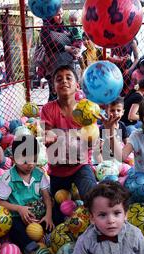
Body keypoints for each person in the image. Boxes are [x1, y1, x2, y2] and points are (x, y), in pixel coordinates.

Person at [40, 64, 97, 225]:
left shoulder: (85, 107)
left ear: (77, 85)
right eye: (59, 79)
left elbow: (92, 134)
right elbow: (46, 133)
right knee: (58, 216)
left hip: (81, 165)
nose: (64, 81)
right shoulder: (48, 109)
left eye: (68, 78)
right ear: (53, 87)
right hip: (58, 169)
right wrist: (49, 135)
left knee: (93, 197)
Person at [0, 135, 54, 254]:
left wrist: (48, 215)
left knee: (56, 213)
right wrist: (19, 209)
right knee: (13, 227)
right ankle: (30, 248)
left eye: (34, 159)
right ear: (14, 159)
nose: (30, 165)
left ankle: (52, 237)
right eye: (25, 161)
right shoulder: (8, 178)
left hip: (39, 214)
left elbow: (46, 196)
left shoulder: (39, 173)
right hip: (19, 217)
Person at [40, 7, 79, 102]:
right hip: (54, 65)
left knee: (69, 92)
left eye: (61, 14)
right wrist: (66, 48)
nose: (60, 17)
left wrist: (76, 48)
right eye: (57, 14)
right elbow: (48, 44)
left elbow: (75, 40)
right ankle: (51, 114)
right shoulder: (46, 28)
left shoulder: (65, 28)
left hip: (68, 64)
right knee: (54, 92)